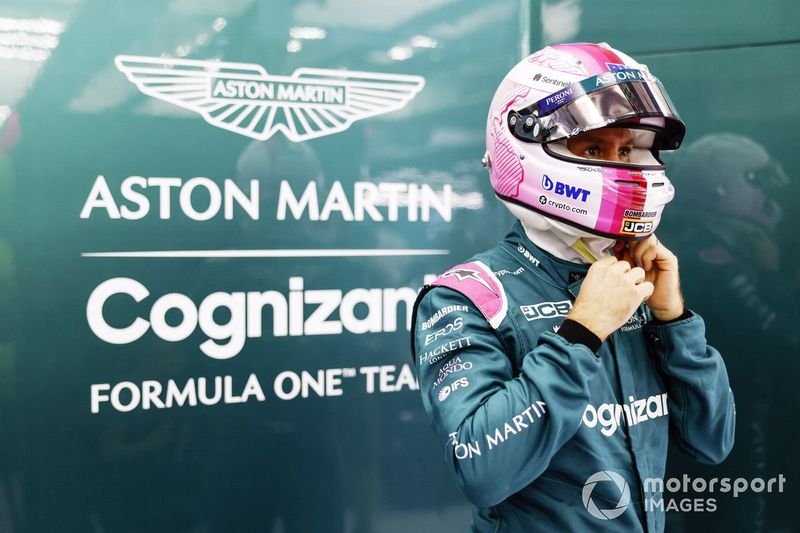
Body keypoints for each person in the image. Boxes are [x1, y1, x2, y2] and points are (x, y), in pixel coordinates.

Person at [410, 43, 735, 532]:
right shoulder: (467, 297)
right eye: (592, 148)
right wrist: (580, 332)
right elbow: (481, 470)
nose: (621, 164)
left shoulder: (632, 281)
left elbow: (713, 442)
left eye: (625, 149)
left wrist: (675, 322)